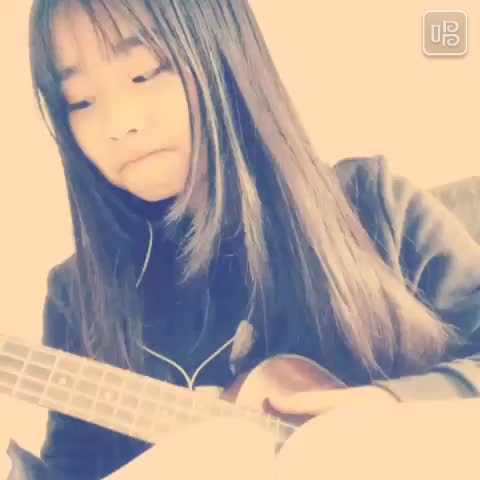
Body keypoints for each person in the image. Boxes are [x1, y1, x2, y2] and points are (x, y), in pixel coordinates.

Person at [16, 0, 480, 478]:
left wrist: (382, 409)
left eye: (144, 74)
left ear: (223, 53)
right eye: (80, 101)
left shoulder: (373, 206)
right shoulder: (77, 295)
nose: (119, 125)